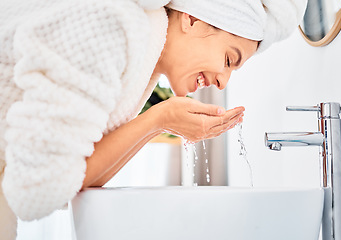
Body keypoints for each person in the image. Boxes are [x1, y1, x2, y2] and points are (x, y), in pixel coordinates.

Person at [0, 0, 307, 238]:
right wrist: (157, 119)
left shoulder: (140, 60)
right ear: (193, 19)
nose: (223, 82)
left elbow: (77, 178)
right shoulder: (113, 25)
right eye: (229, 59)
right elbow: (37, 191)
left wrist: (159, 122)